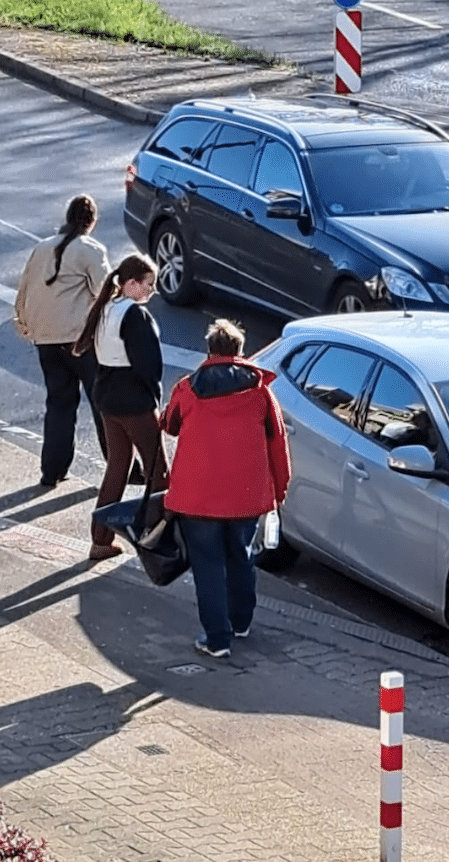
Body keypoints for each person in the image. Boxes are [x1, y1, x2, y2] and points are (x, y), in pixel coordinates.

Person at [160, 319, 291, 658]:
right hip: (246, 495)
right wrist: (279, 490)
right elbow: (278, 443)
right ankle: (241, 621)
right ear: (239, 350)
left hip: (198, 498)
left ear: (209, 351)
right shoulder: (260, 391)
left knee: (207, 566)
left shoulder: (188, 388)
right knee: (241, 557)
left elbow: (169, 425)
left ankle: (217, 639)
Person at [73, 254, 169, 561]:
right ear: (131, 284)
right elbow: (148, 364)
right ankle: (159, 538)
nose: (152, 291)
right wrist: (156, 398)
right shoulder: (136, 316)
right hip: (134, 401)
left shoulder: (105, 309)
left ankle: (101, 539)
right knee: (158, 471)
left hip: (108, 396)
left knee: (118, 466)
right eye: (149, 285)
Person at [14, 194, 110, 487]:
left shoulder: (42, 248)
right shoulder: (90, 249)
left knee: (59, 404)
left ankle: (52, 470)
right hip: (80, 340)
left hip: (46, 339)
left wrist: (27, 326)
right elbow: (105, 292)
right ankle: (121, 467)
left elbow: (25, 289)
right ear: (91, 222)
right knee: (103, 403)